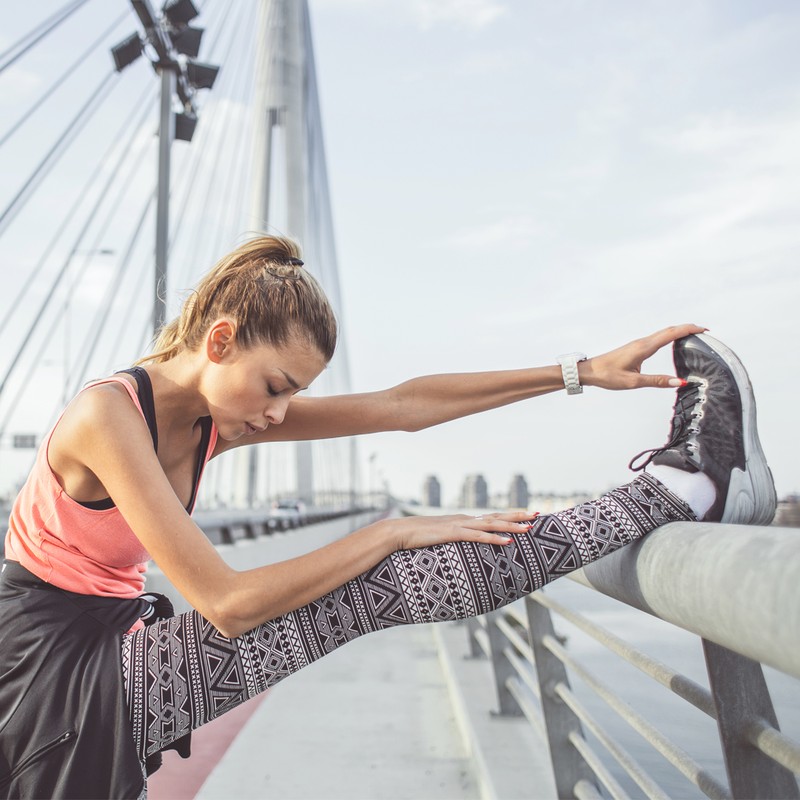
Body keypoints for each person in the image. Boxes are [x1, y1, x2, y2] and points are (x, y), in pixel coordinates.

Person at [0, 235, 776, 799]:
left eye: (292, 396)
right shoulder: (107, 416)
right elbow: (228, 604)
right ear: (221, 340)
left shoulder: (216, 416)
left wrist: (579, 372)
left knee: (381, 581)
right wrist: (387, 531)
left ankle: (685, 490)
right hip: (49, 673)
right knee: (380, 580)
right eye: (275, 387)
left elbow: (401, 406)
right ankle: (685, 490)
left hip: (107, 643)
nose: (278, 414)